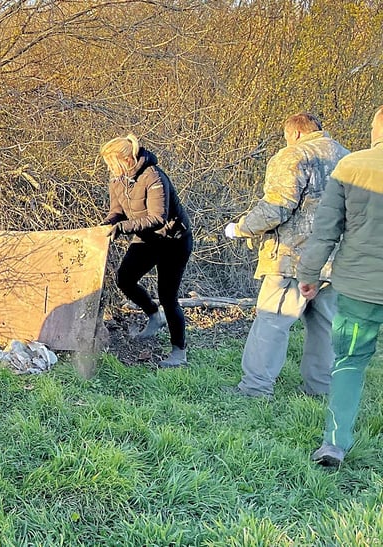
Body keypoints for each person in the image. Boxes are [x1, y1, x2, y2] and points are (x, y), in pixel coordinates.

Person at [223, 113, 349, 398]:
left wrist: (241, 228)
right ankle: (321, 389)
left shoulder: (295, 155)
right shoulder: (347, 158)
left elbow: (277, 206)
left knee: (272, 320)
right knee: (326, 328)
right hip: (336, 260)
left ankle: (255, 389)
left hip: (293, 259)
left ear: (294, 134)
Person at [297, 105, 383, 467]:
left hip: (359, 283)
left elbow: (326, 228)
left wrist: (309, 273)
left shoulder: (352, 166)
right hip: (360, 281)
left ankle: (334, 443)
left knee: (349, 361)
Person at [99, 134, 193, 367]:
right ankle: (154, 315)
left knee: (168, 297)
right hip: (147, 237)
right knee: (125, 279)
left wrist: (123, 228)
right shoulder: (117, 180)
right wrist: (108, 224)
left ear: (127, 160)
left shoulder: (154, 177)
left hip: (173, 240)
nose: (110, 168)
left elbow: (158, 217)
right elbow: (117, 210)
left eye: (113, 163)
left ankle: (178, 352)